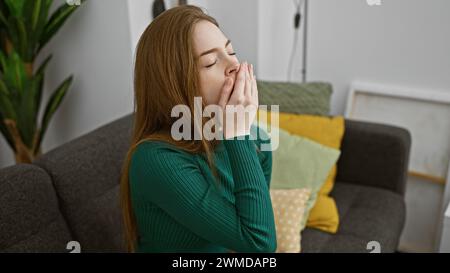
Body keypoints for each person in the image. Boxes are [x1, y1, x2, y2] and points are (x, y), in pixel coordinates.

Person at [119, 5, 276, 253]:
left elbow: (251, 234)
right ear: (173, 83)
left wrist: (239, 136)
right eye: (211, 61)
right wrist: (237, 133)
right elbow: (259, 244)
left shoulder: (256, 143)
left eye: (230, 50)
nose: (234, 64)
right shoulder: (155, 160)